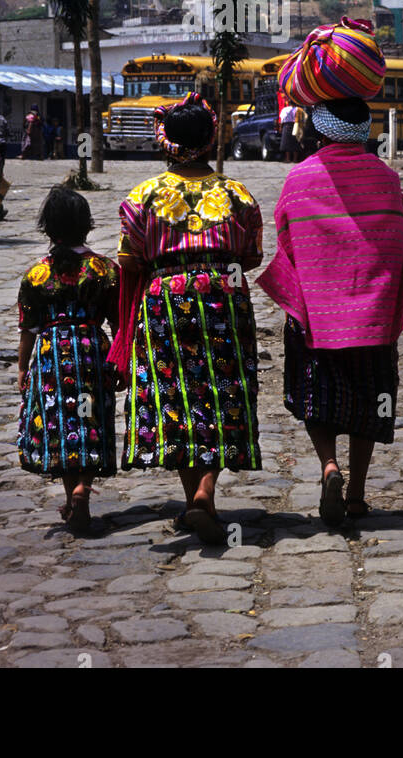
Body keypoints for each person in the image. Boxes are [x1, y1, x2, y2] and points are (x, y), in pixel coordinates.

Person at [258, 97, 403, 525]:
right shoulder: (386, 178)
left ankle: (328, 465)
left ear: (321, 132)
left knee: (316, 396)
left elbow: (287, 235)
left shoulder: (299, 178)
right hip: (373, 317)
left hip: (315, 315)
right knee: (370, 400)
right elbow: (401, 240)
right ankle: (357, 494)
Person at [108, 93, 263, 545]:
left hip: (164, 302)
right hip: (224, 298)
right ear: (212, 138)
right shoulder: (237, 195)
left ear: (166, 141)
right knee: (223, 392)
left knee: (173, 394)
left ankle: (197, 498)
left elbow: (129, 260)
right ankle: (204, 496)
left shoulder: (143, 196)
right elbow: (251, 257)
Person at [17, 187, 119, 534]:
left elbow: (28, 329)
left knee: (59, 423)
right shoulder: (105, 270)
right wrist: (120, 362)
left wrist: (21, 368)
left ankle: (70, 490)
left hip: (50, 358)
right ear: (87, 226)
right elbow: (119, 323)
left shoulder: (36, 275)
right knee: (89, 420)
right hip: (92, 352)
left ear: (48, 229)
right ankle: (83, 491)